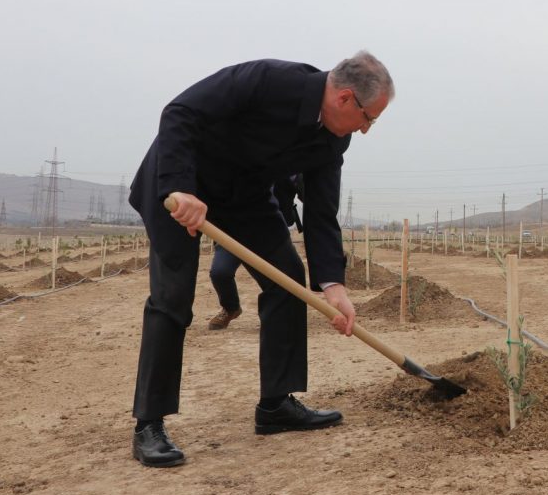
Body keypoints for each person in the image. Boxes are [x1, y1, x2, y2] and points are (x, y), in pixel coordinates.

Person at [128, 52, 394, 467]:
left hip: (243, 195)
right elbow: (180, 111)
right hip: (181, 183)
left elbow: (322, 212)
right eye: (368, 119)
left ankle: (276, 404)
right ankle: (149, 423)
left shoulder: (332, 138)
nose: (365, 130)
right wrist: (181, 187)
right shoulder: (269, 80)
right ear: (345, 98)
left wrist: (334, 286)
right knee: (172, 296)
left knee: (288, 277)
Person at [206, 177, 303, 331]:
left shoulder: (287, 162)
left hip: (271, 233)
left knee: (277, 278)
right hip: (233, 231)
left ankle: (275, 314)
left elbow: (309, 193)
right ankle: (230, 308)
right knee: (220, 272)